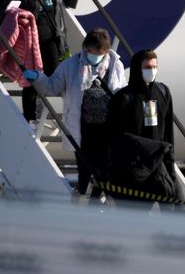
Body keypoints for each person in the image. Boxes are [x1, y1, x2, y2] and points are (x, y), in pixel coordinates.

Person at [23, 29, 126, 196]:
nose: (93, 56)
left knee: (105, 170)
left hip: (106, 129)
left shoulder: (115, 65)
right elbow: (52, 87)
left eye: (98, 53)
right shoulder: (71, 65)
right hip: (83, 129)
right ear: (85, 48)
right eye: (90, 52)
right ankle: (84, 198)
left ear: (106, 51)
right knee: (85, 170)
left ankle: (96, 201)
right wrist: (37, 77)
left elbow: (121, 91)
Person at [106, 49, 178, 207]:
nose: (152, 71)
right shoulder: (123, 98)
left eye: (155, 67)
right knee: (135, 214)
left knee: (172, 208)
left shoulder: (163, 92)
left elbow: (168, 133)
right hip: (134, 170)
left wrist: (170, 165)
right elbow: (115, 137)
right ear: (137, 69)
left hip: (158, 165)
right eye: (147, 67)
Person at [8, 0, 70, 121]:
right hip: (30, 40)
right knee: (32, 79)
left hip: (50, 37)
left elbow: (55, 11)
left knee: (54, 72)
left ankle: (40, 103)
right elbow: (8, 12)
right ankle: (30, 116)